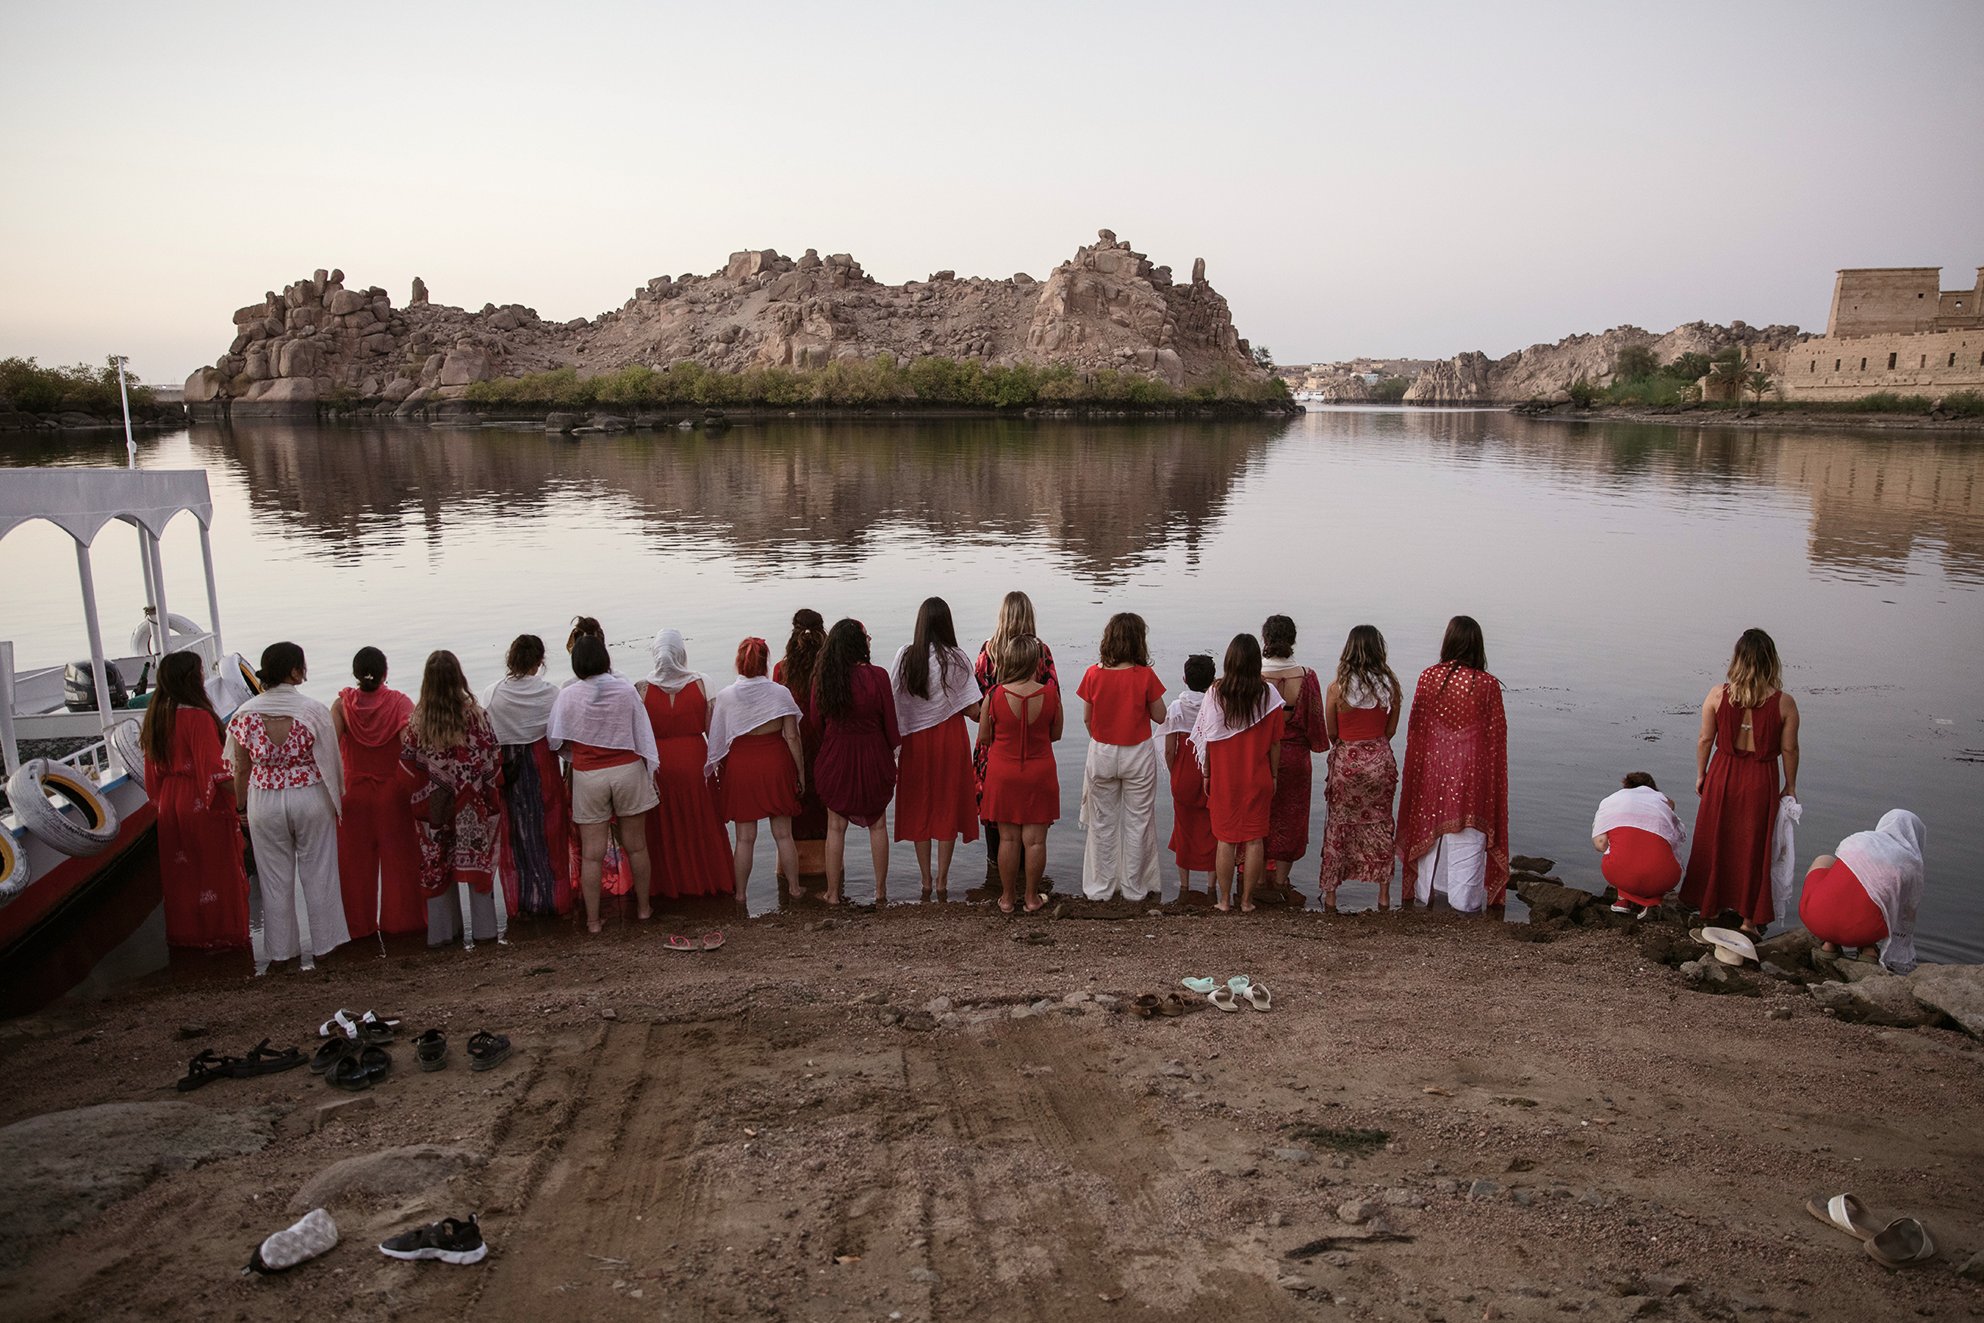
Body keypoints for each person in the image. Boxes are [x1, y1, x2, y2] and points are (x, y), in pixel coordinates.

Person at [226, 642, 349, 969]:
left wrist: (240, 809)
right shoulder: (312, 710)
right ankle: (325, 947)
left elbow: (240, 767)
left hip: (263, 799)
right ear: (294, 671)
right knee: (318, 872)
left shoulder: (244, 715)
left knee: (273, 880)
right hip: (309, 795)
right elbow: (330, 760)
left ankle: (282, 954)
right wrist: (337, 798)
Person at [1680, 628, 1801, 937]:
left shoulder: (1717, 695)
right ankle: (1749, 919)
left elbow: (1706, 738)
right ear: (1771, 661)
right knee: (1754, 846)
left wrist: (1701, 773)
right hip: (1761, 779)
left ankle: (1713, 906)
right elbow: (1789, 748)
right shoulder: (1784, 703)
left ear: (1737, 659)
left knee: (1717, 837)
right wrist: (1790, 785)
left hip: (1722, 773)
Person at [1396, 615, 1509, 915]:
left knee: (1431, 830)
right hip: (1473, 773)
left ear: (1448, 642)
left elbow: (1417, 732)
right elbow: (1496, 740)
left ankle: (1425, 896)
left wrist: (1420, 773)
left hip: (1434, 771)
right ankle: (1465, 903)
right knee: (1470, 837)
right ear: (1478, 645)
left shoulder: (1427, 678)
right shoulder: (1487, 685)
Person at [548, 635, 659, 933]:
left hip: (589, 775)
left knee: (593, 854)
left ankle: (593, 921)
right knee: (637, 847)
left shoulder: (568, 695)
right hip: (627, 771)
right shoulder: (625, 690)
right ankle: (645, 909)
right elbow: (642, 733)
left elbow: (555, 740)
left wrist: (577, 753)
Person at [140, 651, 250, 949]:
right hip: (200, 802)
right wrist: (249, 799)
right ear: (192, 679)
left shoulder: (156, 715)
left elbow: (151, 773)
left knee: (184, 876)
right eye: (200, 673)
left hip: (170, 804)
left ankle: (188, 940)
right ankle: (225, 938)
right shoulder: (198, 717)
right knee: (218, 871)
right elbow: (217, 773)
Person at [400, 651, 504, 948]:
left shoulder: (418, 720)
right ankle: (485, 933)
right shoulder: (477, 715)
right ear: (460, 677)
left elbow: (408, 768)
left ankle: (444, 934)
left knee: (437, 867)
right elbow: (492, 759)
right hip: (472, 803)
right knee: (477, 867)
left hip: (433, 806)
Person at [890, 598, 982, 897]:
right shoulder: (956, 658)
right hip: (949, 739)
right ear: (946, 623)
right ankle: (943, 880)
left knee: (920, 805)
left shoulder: (906, 656)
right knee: (946, 805)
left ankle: (925, 879)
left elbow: (893, 700)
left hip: (915, 740)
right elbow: (972, 709)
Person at [634, 629, 734, 899]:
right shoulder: (703, 683)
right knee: (701, 824)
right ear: (682, 653)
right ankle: (709, 880)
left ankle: (668, 886)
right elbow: (713, 733)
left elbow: (639, 737)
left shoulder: (641, 689)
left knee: (665, 829)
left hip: (660, 767)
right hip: (694, 764)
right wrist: (720, 770)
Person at [330, 647, 422, 939]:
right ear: (385, 672)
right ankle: (402, 924)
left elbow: (330, 748)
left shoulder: (342, 704)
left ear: (356, 674)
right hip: (391, 792)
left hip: (352, 793)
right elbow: (410, 747)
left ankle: (358, 928)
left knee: (354, 868)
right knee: (400, 862)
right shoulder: (400, 702)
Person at [1076, 612, 1167, 902]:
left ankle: (1100, 888)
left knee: (1102, 823)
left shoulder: (1092, 673)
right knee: (1138, 822)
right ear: (1139, 641)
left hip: (1102, 751)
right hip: (1137, 752)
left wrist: (1103, 739)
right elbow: (1161, 715)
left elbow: (1088, 720)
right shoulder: (1145, 675)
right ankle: (1133, 888)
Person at [1191, 634, 1284, 913]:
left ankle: (1223, 900)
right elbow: (1276, 743)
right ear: (1257, 662)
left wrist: (1206, 773)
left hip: (1224, 778)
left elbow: (1207, 738)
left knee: (1225, 839)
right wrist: (1275, 775)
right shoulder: (1269, 696)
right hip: (1258, 777)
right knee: (1255, 839)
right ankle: (1247, 902)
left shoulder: (1215, 694)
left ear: (1229, 661)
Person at [707, 637, 806, 899]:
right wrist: (801, 772)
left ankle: (740, 894)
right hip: (775, 763)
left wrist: (719, 773)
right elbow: (793, 738)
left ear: (739, 663)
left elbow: (717, 740)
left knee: (744, 839)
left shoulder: (726, 696)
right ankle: (795, 889)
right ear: (765, 663)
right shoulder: (780, 693)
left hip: (741, 768)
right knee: (784, 835)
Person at [484, 634, 574, 917]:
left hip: (509, 772)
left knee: (514, 840)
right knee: (550, 837)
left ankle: (520, 906)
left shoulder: (493, 693)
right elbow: (560, 737)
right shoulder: (551, 694)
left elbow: (489, 736)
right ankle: (556, 903)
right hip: (541, 767)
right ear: (539, 663)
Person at [813, 619, 900, 905]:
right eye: (866, 637)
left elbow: (816, 722)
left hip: (837, 753)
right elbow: (891, 726)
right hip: (873, 751)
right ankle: (880, 891)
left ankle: (832, 893)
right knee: (878, 825)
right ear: (859, 643)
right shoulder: (878, 676)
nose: (869, 641)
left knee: (835, 827)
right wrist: (889, 752)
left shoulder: (824, 677)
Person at [974, 591, 1059, 867]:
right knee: (1032, 822)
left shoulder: (987, 650)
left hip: (994, 747)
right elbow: (1052, 699)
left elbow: (976, 703)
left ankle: (997, 877)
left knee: (997, 817)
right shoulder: (1041, 652)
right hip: (1032, 747)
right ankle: (1029, 881)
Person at [1320, 625, 1402, 910]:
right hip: (1380, 760)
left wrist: (1349, 748)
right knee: (1380, 823)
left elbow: (1332, 731)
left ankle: (1331, 895)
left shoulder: (1336, 688)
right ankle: (1383, 895)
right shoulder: (1391, 687)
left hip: (1348, 763)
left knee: (1339, 824)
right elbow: (1390, 730)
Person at [979, 633, 1063, 913]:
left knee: (1008, 839)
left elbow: (984, 737)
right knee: (1036, 841)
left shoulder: (994, 695)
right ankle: (1030, 897)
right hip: (1040, 771)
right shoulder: (1050, 694)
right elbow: (1056, 734)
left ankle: (1006, 898)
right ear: (1035, 662)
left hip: (1003, 772)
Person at [1800, 810, 1924, 971]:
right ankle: (1869, 950)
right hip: (1866, 931)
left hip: (1816, 920)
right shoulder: (1910, 863)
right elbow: (1906, 915)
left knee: (1826, 861)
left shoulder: (1861, 838)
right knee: (1879, 899)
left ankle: (1829, 944)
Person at [1260, 615, 1329, 903]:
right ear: (1292, 639)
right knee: (1292, 819)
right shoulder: (1307, 676)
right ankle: (1279, 883)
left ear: (1265, 639)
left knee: (1258, 818)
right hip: (1296, 758)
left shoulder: (1255, 675)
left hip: (1262, 757)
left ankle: (1257, 879)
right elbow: (1316, 723)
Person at [1160, 654, 1217, 904]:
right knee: (1212, 829)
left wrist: (1174, 772)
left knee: (1183, 827)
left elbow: (1169, 749)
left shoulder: (1175, 707)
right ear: (1212, 680)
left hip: (1183, 771)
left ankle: (1184, 884)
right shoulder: (1216, 706)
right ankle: (1211, 884)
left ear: (1184, 679)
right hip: (1209, 772)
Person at [1590, 772, 1687, 918]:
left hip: (1618, 874)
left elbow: (1601, 845)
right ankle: (1651, 902)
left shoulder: (1610, 802)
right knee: (1659, 852)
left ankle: (1623, 900)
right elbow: (1676, 838)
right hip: (1666, 878)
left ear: (1626, 786)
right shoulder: (1662, 802)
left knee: (1619, 851)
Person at [774, 609, 830, 850]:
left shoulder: (781, 670)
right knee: (826, 810)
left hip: (791, 747)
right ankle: (829, 873)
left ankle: (793, 874)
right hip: (825, 744)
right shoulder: (830, 669)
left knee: (796, 805)